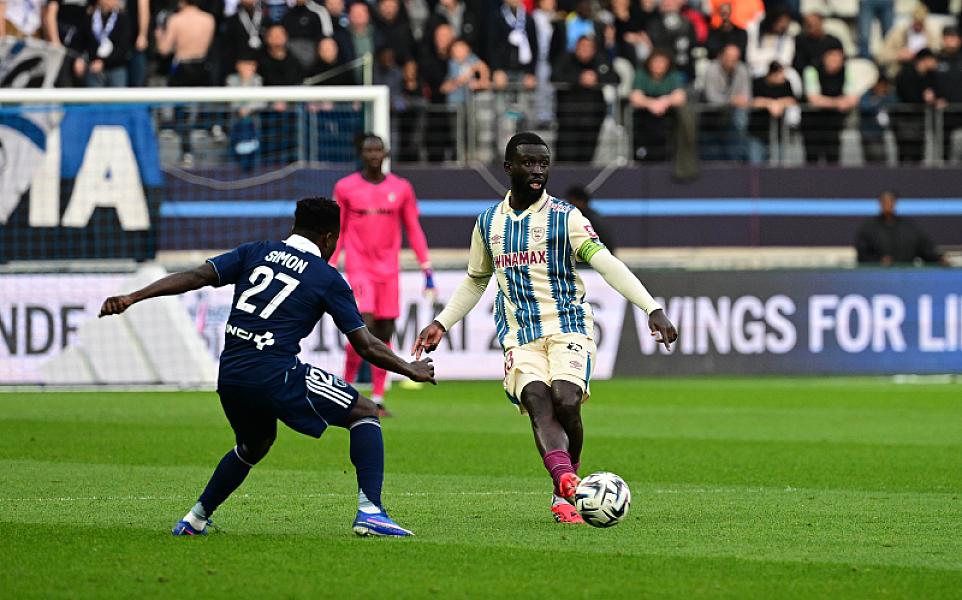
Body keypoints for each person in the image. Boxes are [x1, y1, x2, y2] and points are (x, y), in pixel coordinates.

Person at [98, 197, 436, 537]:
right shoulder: (326, 277)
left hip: (230, 376)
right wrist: (410, 368)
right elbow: (365, 344)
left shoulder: (254, 251)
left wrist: (133, 297)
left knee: (254, 444)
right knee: (364, 411)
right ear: (330, 239)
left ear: (294, 227)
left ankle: (195, 518)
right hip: (275, 373)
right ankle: (371, 512)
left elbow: (198, 276)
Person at [412, 132, 677, 524]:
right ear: (509, 168)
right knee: (538, 400)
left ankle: (564, 484)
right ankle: (567, 487)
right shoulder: (488, 223)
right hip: (520, 334)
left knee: (566, 400)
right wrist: (442, 322)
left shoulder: (565, 217)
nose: (537, 171)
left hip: (568, 325)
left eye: (543, 163)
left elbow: (606, 263)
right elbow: (475, 279)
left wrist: (651, 307)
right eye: (528, 163)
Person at [331, 134, 434, 417]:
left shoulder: (401, 188)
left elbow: (413, 227)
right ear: (361, 154)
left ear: (386, 153)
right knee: (362, 326)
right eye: (368, 150)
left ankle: (377, 398)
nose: (374, 155)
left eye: (378, 150)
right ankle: (345, 391)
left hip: (389, 271)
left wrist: (426, 266)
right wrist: (327, 264)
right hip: (359, 268)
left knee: (385, 332)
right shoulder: (345, 187)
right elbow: (338, 230)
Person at [550, 35, 618, 162]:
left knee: (587, 158)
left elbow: (615, 77)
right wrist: (578, 79)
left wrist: (597, 78)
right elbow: (554, 76)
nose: (585, 50)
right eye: (582, 47)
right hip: (568, 119)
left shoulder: (600, 60)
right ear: (576, 47)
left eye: (589, 47)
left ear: (594, 49)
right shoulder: (566, 59)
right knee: (565, 157)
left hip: (592, 119)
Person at [855, 191, 948, 265]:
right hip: (879, 277)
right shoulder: (869, 228)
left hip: (905, 276)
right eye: (884, 201)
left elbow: (924, 248)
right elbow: (862, 254)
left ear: (895, 203)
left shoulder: (909, 227)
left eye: (890, 201)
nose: (887, 204)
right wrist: (878, 262)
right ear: (880, 203)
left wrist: (938, 258)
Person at [801, 42, 858, 164]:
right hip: (812, 125)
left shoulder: (846, 71)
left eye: (839, 57)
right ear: (825, 57)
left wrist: (835, 102)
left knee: (833, 160)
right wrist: (838, 102)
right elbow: (814, 99)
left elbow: (853, 97)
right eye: (832, 56)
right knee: (812, 161)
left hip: (834, 124)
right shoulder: (811, 70)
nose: (836, 60)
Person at [630, 47, 688, 162]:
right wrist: (651, 103)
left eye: (662, 62)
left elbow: (680, 97)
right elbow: (635, 97)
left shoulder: (672, 76)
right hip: (644, 123)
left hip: (667, 123)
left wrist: (664, 101)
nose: (659, 65)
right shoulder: (642, 75)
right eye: (656, 61)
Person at [701, 42, 751, 161]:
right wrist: (730, 100)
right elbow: (711, 98)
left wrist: (737, 101)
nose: (732, 61)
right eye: (729, 57)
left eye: (735, 58)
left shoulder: (742, 69)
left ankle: (738, 157)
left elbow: (746, 97)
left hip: (733, 116)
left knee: (741, 116)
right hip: (711, 116)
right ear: (721, 56)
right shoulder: (712, 69)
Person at [894, 47, 938, 164]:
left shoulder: (929, 75)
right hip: (904, 120)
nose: (935, 63)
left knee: (918, 153)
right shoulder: (906, 73)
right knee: (905, 153)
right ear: (925, 60)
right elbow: (907, 95)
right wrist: (923, 97)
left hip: (919, 120)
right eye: (933, 59)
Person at [749, 61, 798, 163]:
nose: (782, 77)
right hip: (758, 131)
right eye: (780, 74)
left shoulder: (786, 83)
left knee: (779, 163)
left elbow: (792, 100)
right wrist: (769, 103)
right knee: (756, 164)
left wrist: (779, 103)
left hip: (779, 132)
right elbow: (752, 101)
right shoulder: (758, 83)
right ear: (772, 74)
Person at [877, 3, 940, 77]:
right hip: (901, 73)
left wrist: (928, 62)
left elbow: (937, 57)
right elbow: (881, 56)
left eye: (920, 22)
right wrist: (898, 55)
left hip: (923, 77)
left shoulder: (931, 37)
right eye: (916, 21)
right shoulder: (898, 33)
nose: (918, 25)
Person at [81, 0, 132, 88]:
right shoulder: (90, 17)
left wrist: (104, 62)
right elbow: (83, 41)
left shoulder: (122, 19)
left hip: (116, 69)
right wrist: (81, 59)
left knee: (117, 100)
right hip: (94, 68)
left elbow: (123, 47)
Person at [565, 184, 616, 253]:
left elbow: (607, 246)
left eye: (572, 201)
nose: (570, 205)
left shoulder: (595, 221)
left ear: (582, 201)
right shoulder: (569, 218)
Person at [858, 74, 897, 163]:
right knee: (873, 158)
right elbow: (864, 107)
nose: (883, 88)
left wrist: (881, 99)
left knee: (882, 158)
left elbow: (894, 103)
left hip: (881, 133)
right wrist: (878, 101)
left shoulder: (888, 95)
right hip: (868, 132)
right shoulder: (868, 94)